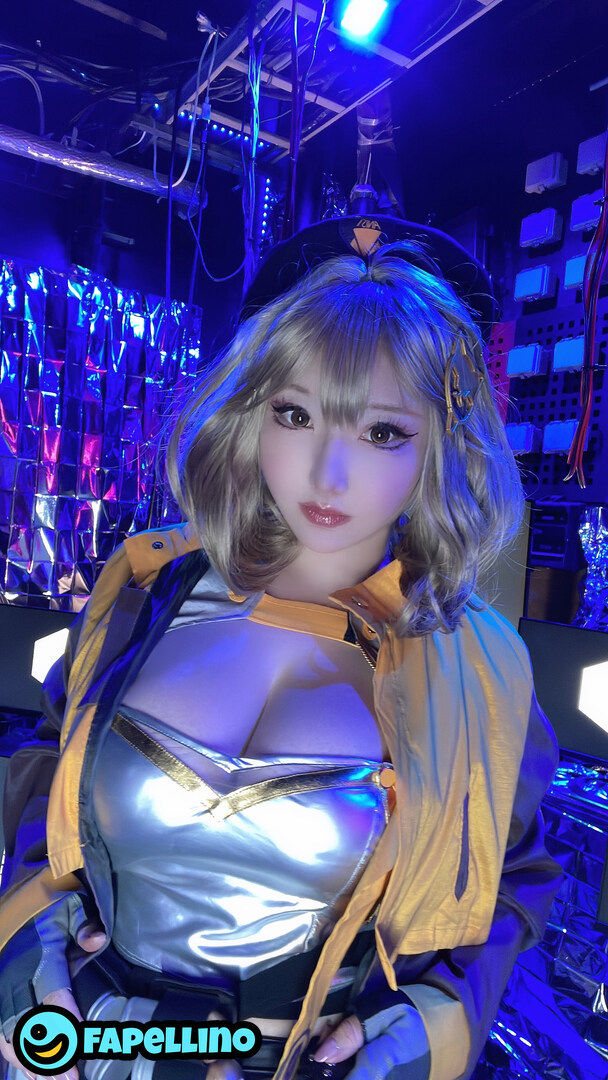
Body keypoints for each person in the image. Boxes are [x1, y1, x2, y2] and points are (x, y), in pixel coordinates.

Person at [0, 217, 562, 1080]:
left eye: (383, 432)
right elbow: (48, 775)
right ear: (250, 411)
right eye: (295, 414)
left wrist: (429, 1025)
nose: (327, 473)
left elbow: (511, 877)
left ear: (440, 444)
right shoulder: (141, 595)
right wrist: (26, 949)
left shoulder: (479, 669)